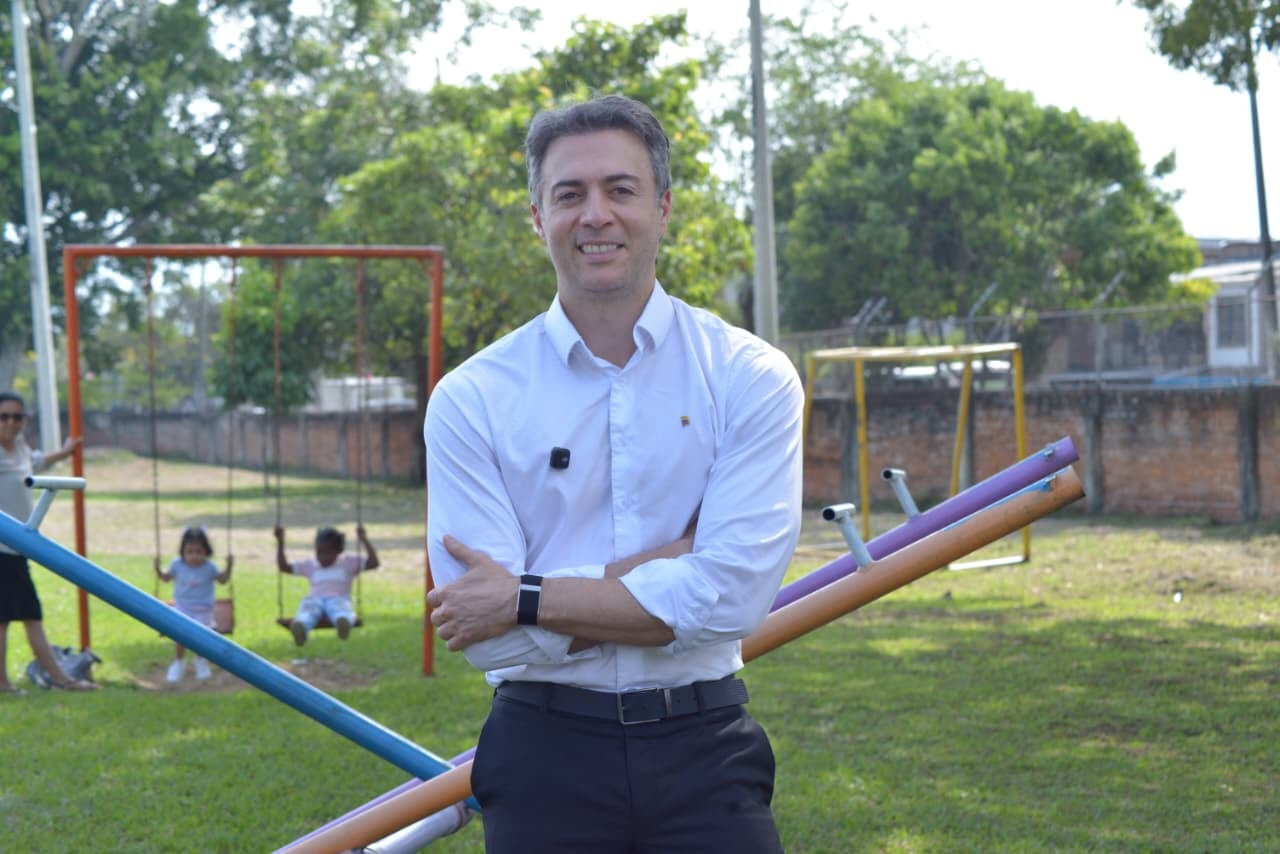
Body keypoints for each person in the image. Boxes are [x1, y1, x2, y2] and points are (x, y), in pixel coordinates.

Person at [424, 94, 804, 852]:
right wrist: (666, 565)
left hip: (707, 751)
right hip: (543, 751)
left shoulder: (749, 376)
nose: (595, 214)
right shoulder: (472, 397)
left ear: (661, 208)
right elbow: (484, 638)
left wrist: (525, 597)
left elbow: (732, 598)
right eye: (569, 194)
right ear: (538, 217)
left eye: (620, 190)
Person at [0, 390, 97, 693]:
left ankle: (55, 678)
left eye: (17, 417)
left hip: (18, 548)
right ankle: (54, 679)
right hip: (1, 547)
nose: (11, 423)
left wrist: (66, 453)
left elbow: (37, 462)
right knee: (14, 617)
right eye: (4, 417)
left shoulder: (19, 448)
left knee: (27, 614)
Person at [275, 523, 379, 646]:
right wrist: (281, 541)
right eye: (319, 552)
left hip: (338, 598)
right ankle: (301, 627)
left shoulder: (347, 563)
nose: (322, 557)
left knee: (340, 608)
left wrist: (364, 539)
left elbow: (374, 563)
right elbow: (284, 567)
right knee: (308, 609)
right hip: (316, 599)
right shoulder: (311, 565)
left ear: (339, 551)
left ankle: (343, 623)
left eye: (328, 553)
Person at [155, 525, 232, 682]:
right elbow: (166, 578)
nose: (194, 556)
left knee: (200, 637)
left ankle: (200, 661)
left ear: (206, 552)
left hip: (203, 609)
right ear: (183, 552)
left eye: (199, 552)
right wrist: (157, 568)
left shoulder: (209, 567)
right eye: (190, 552)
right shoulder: (177, 565)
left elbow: (223, 580)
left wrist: (229, 566)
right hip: (183, 607)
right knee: (180, 636)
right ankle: (178, 662)